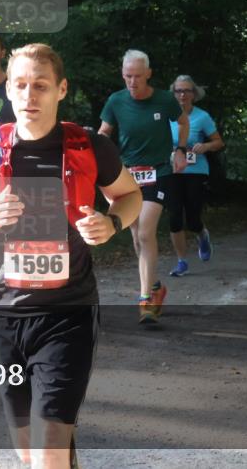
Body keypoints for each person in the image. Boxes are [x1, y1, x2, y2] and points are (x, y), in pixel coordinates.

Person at [0, 43, 141, 469]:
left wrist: (113, 223)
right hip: (5, 318)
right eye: (21, 85)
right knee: (31, 454)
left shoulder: (90, 147)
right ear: (8, 92)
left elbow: (128, 195)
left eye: (41, 86)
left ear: (61, 89)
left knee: (46, 457)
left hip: (67, 315)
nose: (30, 96)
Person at [99, 50, 189, 324]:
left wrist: (180, 150)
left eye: (137, 76)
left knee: (147, 232)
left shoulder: (164, 100)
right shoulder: (116, 101)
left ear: (148, 74)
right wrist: (100, 154)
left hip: (158, 173)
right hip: (127, 178)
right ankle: (155, 286)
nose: (132, 81)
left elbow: (183, 122)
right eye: (127, 76)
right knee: (137, 238)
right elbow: (104, 132)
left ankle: (145, 300)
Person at [167, 75, 226, 277]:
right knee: (174, 217)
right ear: (173, 94)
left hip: (195, 171)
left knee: (192, 219)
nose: (182, 94)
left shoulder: (202, 117)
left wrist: (206, 145)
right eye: (178, 91)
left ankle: (202, 234)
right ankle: (182, 261)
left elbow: (219, 142)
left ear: (194, 94)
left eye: (186, 91)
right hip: (171, 171)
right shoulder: (166, 116)